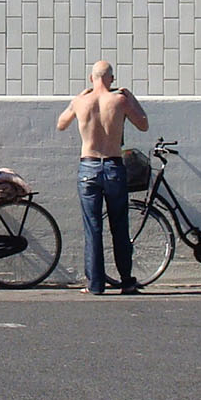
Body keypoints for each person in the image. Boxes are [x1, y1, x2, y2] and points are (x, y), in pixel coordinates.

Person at [56, 59, 149, 295]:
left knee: (93, 227)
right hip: (114, 165)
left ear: (91, 79)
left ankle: (95, 284)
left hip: (88, 166)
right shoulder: (119, 100)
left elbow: (61, 124)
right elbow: (143, 124)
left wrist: (78, 99)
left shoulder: (80, 101)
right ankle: (126, 281)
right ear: (111, 79)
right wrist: (131, 97)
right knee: (119, 226)